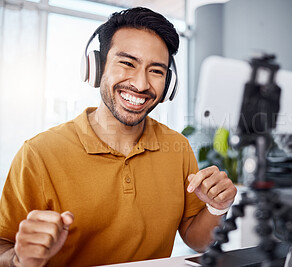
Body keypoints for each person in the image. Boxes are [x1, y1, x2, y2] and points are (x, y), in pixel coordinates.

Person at [0, 7, 237, 267]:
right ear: (96, 67)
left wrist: (217, 207)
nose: (141, 84)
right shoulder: (38, 153)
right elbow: (4, 246)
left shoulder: (177, 147)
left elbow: (196, 238)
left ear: (169, 84)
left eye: (156, 71)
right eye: (127, 63)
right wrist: (18, 258)